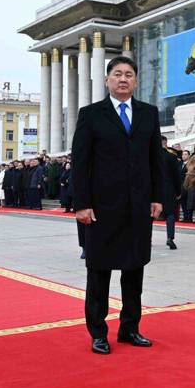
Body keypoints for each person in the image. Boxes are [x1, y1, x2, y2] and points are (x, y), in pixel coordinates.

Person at [71, 55, 163, 355]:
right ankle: (98, 332)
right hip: (101, 208)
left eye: (129, 74)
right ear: (107, 80)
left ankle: (130, 328)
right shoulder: (91, 114)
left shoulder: (149, 114)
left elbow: (155, 161)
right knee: (99, 273)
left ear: (136, 80)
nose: (123, 79)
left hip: (137, 208)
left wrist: (157, 197)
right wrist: (81, 204)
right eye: (118, 74)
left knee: (134, 270)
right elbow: (81, 163)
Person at [159, 136, 183, 250]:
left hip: (151, 189)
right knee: (170, 214)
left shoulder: (148, 156)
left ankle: (147, 239)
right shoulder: (171, 157)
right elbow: (177, 176)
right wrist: (178, 191)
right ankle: (170, 238)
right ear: (165, 143)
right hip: (168, 189)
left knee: (149, 214)